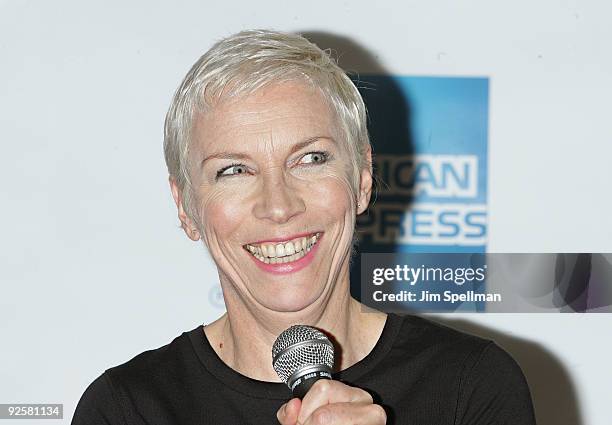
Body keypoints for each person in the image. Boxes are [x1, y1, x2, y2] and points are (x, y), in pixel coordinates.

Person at [72, 29, 536, 425]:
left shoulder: (470, 385)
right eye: (234, 170)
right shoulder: (127, 410)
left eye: (310, 159)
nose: (278, 206)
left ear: (361, 180)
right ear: (186, 206)